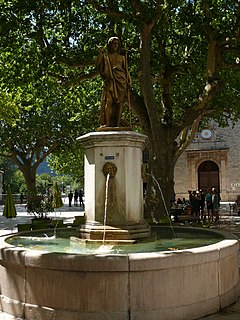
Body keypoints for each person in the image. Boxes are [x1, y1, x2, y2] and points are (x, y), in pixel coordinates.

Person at [96, 36, 132, 127]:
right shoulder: (106, 57)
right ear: (110, 45)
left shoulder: (122, 57)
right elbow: (99, 66)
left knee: (120, 103)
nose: (116, 46)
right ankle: (107, 123)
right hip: (111, 80)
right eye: (114, 44)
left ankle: (117, 123)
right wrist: (100, 53)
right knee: (109, 101)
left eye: (117, 44)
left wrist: (129, 79)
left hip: (121, 80)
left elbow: (126, 70)